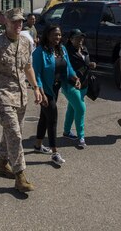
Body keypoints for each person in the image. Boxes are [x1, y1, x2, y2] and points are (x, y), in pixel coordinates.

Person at [0, 8, 43, 193]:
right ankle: (20, 175)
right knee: (15, 134)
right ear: (5, 22)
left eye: (20, 21)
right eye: (14, 21)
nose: (18, 25)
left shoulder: (25, 42)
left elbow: (28, 67)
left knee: (13, 131)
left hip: (21, 95)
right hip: (2, 95)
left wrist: (36, 88)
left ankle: (1, 163)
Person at [32, 24, 80, 166]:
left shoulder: (62, 49)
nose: (57, 37)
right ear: (47, 35)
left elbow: (68, 67)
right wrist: (40, 92)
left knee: (44, 117)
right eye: (54, 35)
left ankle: (37, 145)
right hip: (45, 90)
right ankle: (54, 153)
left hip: (56, 87)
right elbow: (37, 74)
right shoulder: (39, 52)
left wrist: (75, 78)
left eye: (59, 34)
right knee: (52, 118)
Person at [62, 29, 96, 149]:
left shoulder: (84, 49)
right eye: (77, 37)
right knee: (81, 108)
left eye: (82, 37)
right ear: (71, 39)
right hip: (70, 85)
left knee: (72, 108)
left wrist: (90, 64)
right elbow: (65, 68)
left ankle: (66, 132)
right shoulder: (66, 51)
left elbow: (86, 63)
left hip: (84, 84)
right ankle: (81, 137)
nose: (80, 39)